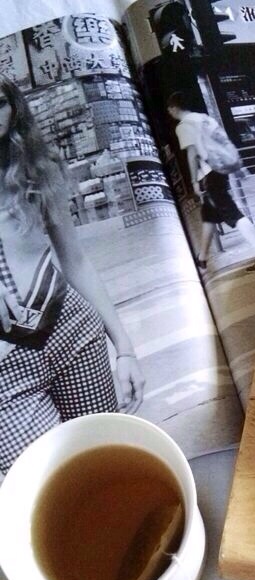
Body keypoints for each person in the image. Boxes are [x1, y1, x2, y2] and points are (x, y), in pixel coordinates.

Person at [0, 75, 144, 477]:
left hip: (73, 333)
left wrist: (125, 348)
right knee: (44, 480)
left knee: (104, 462)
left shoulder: (33, 171)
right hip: (6, 368)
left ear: (13, 109)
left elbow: (75, 261)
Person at [167, 92, 255, 271]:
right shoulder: (204, 118)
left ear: (174, 108)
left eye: (169, 110)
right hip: (220, 170)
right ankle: (202, 258)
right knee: (208, 215)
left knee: (233, 214)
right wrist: (237, 167)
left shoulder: (184, 126)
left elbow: (192, 154)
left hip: (209, 173)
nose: (170, 113)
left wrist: (194, 181)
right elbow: (223, 141)